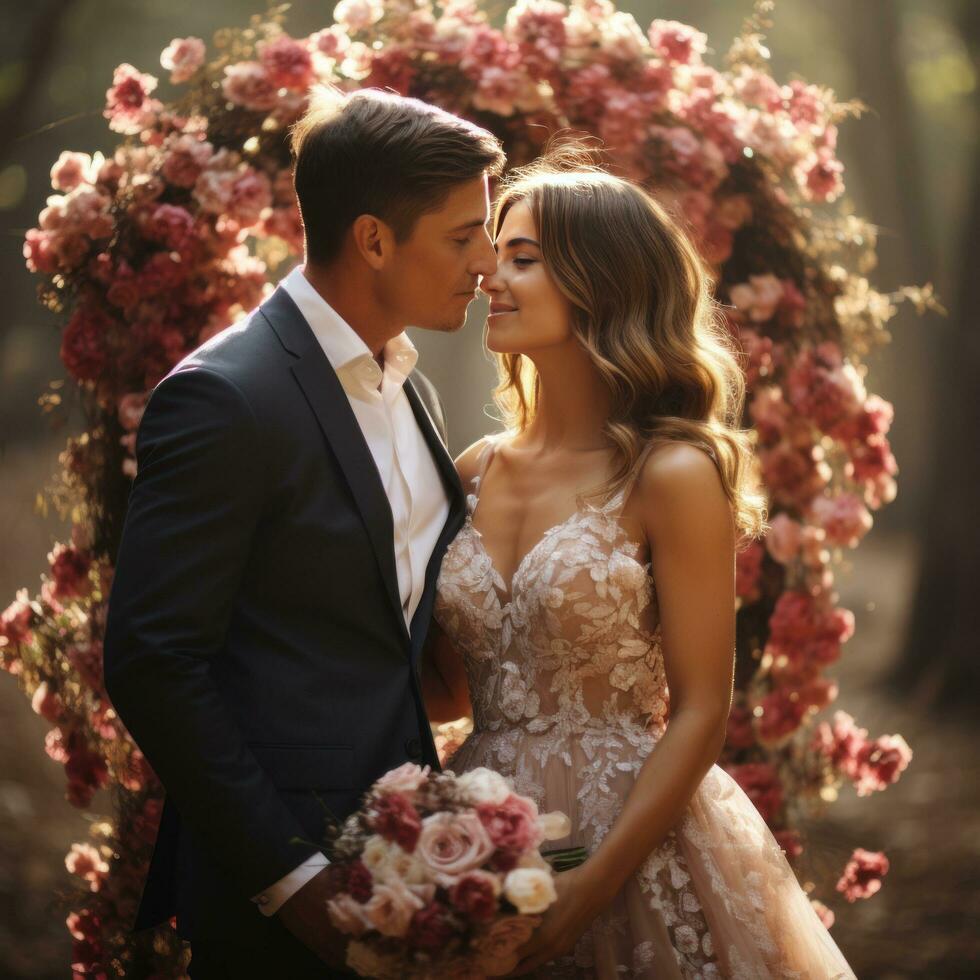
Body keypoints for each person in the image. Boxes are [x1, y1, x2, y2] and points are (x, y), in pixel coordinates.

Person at [423, 147, 856, 979]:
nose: (489, 276)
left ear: (603, 280)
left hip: (634, 840)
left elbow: (701, 710)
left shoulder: (672, 473)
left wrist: (589, 887)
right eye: (492, 253)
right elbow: (444, 682)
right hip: (479, 837)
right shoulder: (472, 469)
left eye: (523, 258)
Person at [102, 85, 504, 978]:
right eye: (461, 235)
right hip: (279, 898)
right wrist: (294, 881)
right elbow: (153, 661)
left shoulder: (411, 388)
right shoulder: (228, 397)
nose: (486, 261)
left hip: (412, 870)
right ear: (372, 239)